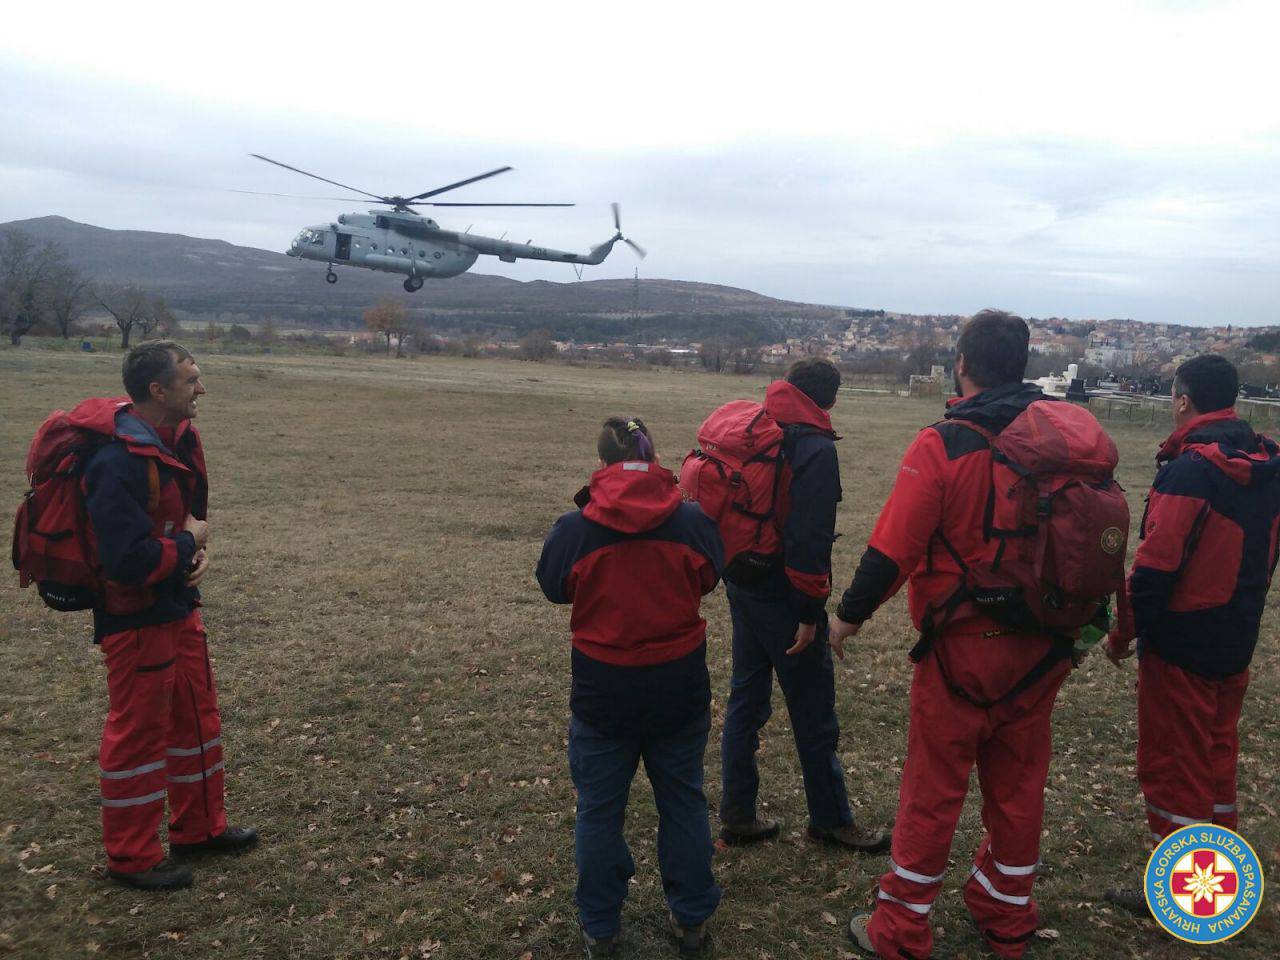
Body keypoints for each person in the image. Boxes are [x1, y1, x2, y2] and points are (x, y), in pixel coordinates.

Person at [830, 311, 1082, 959]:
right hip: (1043, 650)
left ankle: (901, 928)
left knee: (932, 792)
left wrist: (848, 616)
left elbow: (893, 550)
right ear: (1021, 364)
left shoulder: (944, 444)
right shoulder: (1064, 443)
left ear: (961, 364)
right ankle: (1007, 917)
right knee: (1020, 790)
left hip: (961, 656)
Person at [536, 417, 724, 958]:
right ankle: (691, 920)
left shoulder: (575, 529)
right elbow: (709, 579)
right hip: (679, 685)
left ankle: (601, 927)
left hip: (602, 691)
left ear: (602, 464)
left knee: (599, 810)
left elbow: (553, 587)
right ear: (652, 455)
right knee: (684, 801)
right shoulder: (691, 522)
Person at [1104, 355, 1280, 912]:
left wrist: (1122, 633)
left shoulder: (1190, 470)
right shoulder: (1267, 465)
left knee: (1174, 772)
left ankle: (1189, 903)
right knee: (1215, 765)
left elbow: (1154, 569)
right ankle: (1217, 885)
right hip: (1236, 640)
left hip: (1181, 647)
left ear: (1182, 400)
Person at [84, 340, 257, 891]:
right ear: (157, 390)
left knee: (195, 718)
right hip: (134, 620)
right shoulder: (113, 464)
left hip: (176, 605)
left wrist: (194, 550)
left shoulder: (177, 440)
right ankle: (131, 858)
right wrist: (186, 545)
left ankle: (200, 828)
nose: (201, 388)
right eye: (191, 380)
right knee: (139, 735)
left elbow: (185, 518)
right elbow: (127, 562)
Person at [718, 357, 889, 852]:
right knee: (813, 710)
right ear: (830, 401)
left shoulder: (756, 427)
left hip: (742, 580)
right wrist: (810, 615)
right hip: (783, 595)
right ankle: (831, 818)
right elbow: (809, 542)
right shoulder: (813, 447)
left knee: (745, 698)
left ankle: (737, 810)